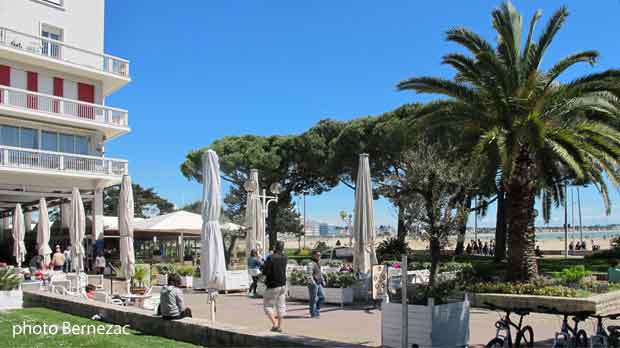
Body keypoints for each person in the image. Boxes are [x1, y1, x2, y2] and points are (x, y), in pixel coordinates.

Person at [262, 240, 287, 332]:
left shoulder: (271, 258)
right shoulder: (285, 257)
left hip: (273, 284)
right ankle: (280, 326)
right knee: (281, 306)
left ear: (275, 247)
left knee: (268, 305)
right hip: (283, 284)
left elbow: (265, 271)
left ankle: (275, 324)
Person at [306, 250, 325, 318]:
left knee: (322, 297)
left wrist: (323, 280)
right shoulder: (311, 263)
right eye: (318, 255)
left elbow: (320, 273)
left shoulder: (318, 263)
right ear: (313, 255)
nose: (319, 256)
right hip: (313, 283)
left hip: (318, 282)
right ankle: (313, 314)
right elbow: (309, 274)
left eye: (320, 255)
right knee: (313, 299)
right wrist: (312, 282)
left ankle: (317, 310)